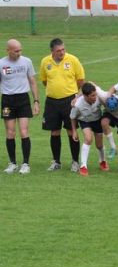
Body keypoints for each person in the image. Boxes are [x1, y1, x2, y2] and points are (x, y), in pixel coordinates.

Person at [39, 38, 85, 172]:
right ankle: (56, 162)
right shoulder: (45, 62)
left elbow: (81, 80)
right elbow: (44, 81)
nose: (62, 52)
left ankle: (75, 161)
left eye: (63, 49)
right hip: (52, 102)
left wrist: (74, 95)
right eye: (58, 50)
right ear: (52, 51)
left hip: (69, 101)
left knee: (72, 131)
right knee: (54, 132)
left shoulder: (73, 60)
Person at [1, 39, 39, 174]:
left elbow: (33, 82)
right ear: (8, 50)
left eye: (20, 50)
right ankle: (12, 163)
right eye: (16, 51)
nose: (19, 53)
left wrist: (36, 101)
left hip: (23, 99)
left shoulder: (26, 61)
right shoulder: (1, 64)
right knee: (10, 132)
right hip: (7, 101)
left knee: (24, 131)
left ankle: (25, 164)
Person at [69, 82, 109, 176]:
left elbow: (108, 108)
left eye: (95, 94)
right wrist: (74, 131)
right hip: (84, 121)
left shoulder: (99, 98)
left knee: (99, 145)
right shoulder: (77, 105)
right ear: (85, 96)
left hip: (97, 120)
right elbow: (72, 117)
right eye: (92, 96)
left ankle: (102, 161)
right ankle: (83, 166)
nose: (95, 97)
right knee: (88, 139)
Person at [100, 93, 118, 173]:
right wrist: (77, 97)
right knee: (104, 123)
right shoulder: (103, 96)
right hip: (110, 113)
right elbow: (90, 84)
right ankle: (113, 147)